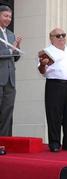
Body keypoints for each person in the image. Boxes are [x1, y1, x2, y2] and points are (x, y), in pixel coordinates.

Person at [38, 27, 67, 152]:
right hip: (54, 85)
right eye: (58, 36)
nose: (61, 38)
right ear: (51, 38)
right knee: (54, 114)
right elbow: (41, 71)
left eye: (63, 35)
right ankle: (54, 143)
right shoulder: (47, 52)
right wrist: (43, 64)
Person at [0, 5, 22, 136]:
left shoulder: (10, 34)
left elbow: (16, 57)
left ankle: (4, 142)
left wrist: (17, 48)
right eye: (5, 16)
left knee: (7, 112)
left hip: (10, 80)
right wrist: (10, 49)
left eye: (10, 17)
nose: (8, 19)